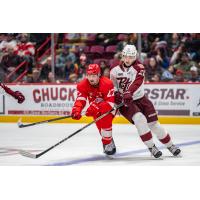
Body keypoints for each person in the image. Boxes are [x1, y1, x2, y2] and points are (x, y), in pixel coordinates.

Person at [110, 44, 181, 158]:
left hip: (141, 99)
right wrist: (117, 96)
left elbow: (137, 82)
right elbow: (112, 87)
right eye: (126, 56)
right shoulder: (114, 70)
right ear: (122, 56)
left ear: (135, 56)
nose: (128, 59)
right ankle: (152, 147)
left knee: (155, 125)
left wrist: (129, 92)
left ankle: (170, 145)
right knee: (140, 119)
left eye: (131, 57)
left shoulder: (140, 67)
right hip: (127, 103)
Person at [71, 64, 116, 156]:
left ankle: (107, 141)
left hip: (109, 108)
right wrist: (76, 110)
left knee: (105, 121)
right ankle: (108, 139)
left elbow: (110, 104)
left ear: (99, 75)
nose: (91, 78)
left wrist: (94, 107)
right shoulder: (82, 85)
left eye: (93, 76)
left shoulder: (107, 83)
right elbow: (80, 99)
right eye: (89, 75)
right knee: (100, 127)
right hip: (95, 109)